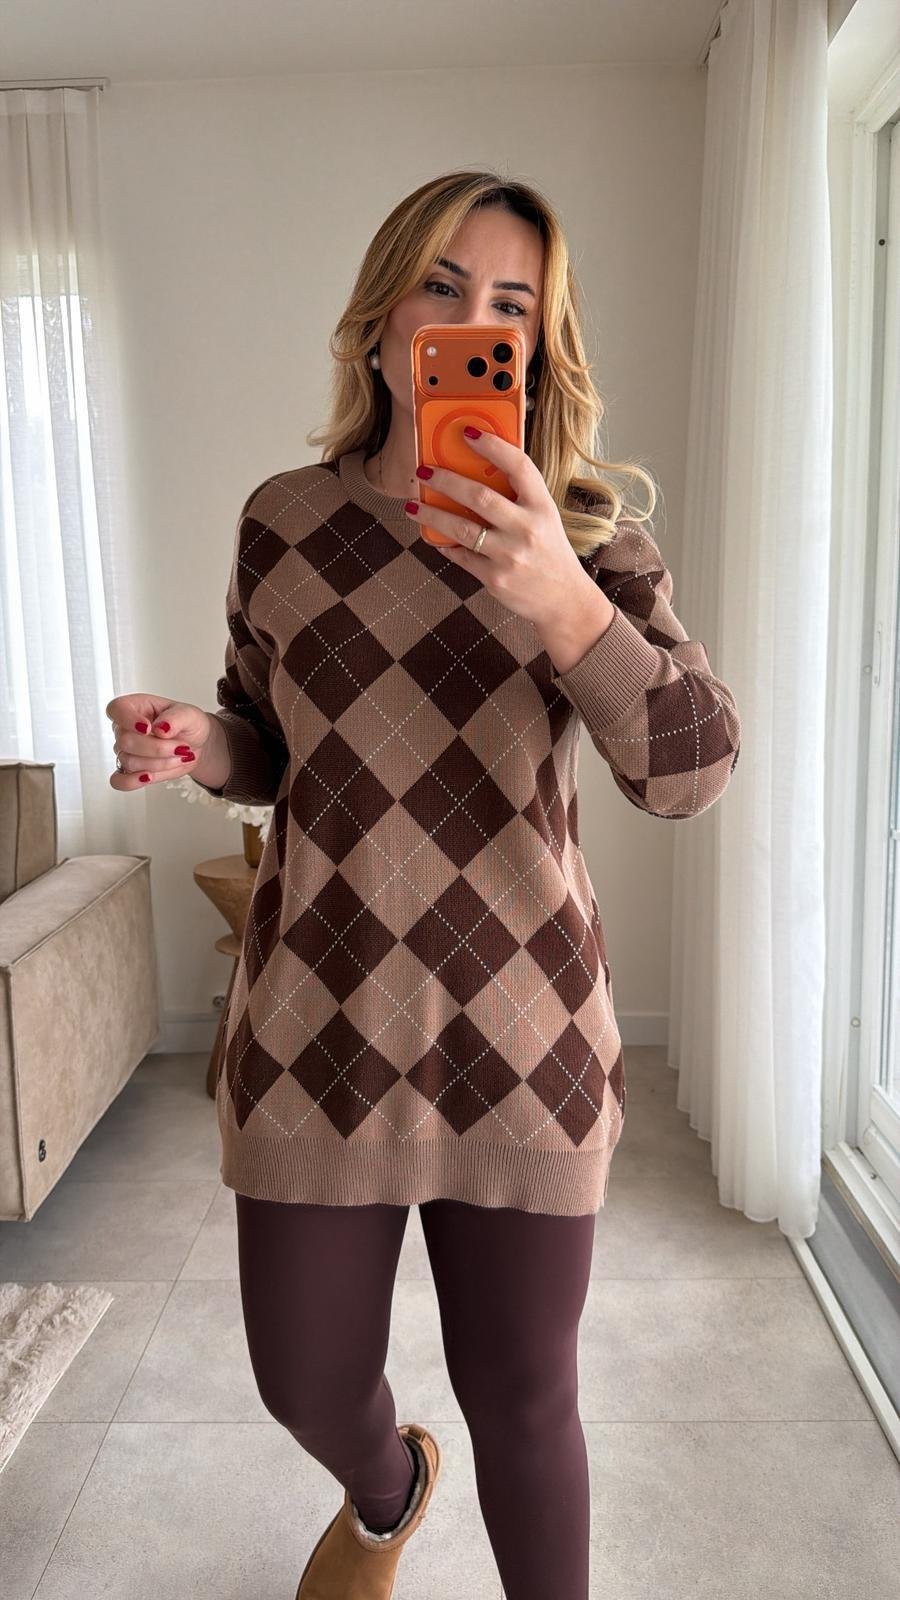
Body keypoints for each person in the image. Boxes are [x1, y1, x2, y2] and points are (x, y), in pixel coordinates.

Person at [107, 168, 741, 1600]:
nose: (470, 322)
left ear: (537, 347)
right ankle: (388, 1489)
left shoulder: (588, 539)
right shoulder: (282, 522)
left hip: (524, 1035)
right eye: (443, 286)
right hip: (316, 1022)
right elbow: (270, 740)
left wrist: (563, 597)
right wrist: (200, 740)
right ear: (384, 315)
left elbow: (693, 770)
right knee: (302, 1379)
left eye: (510, 304)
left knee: (526, 1400)